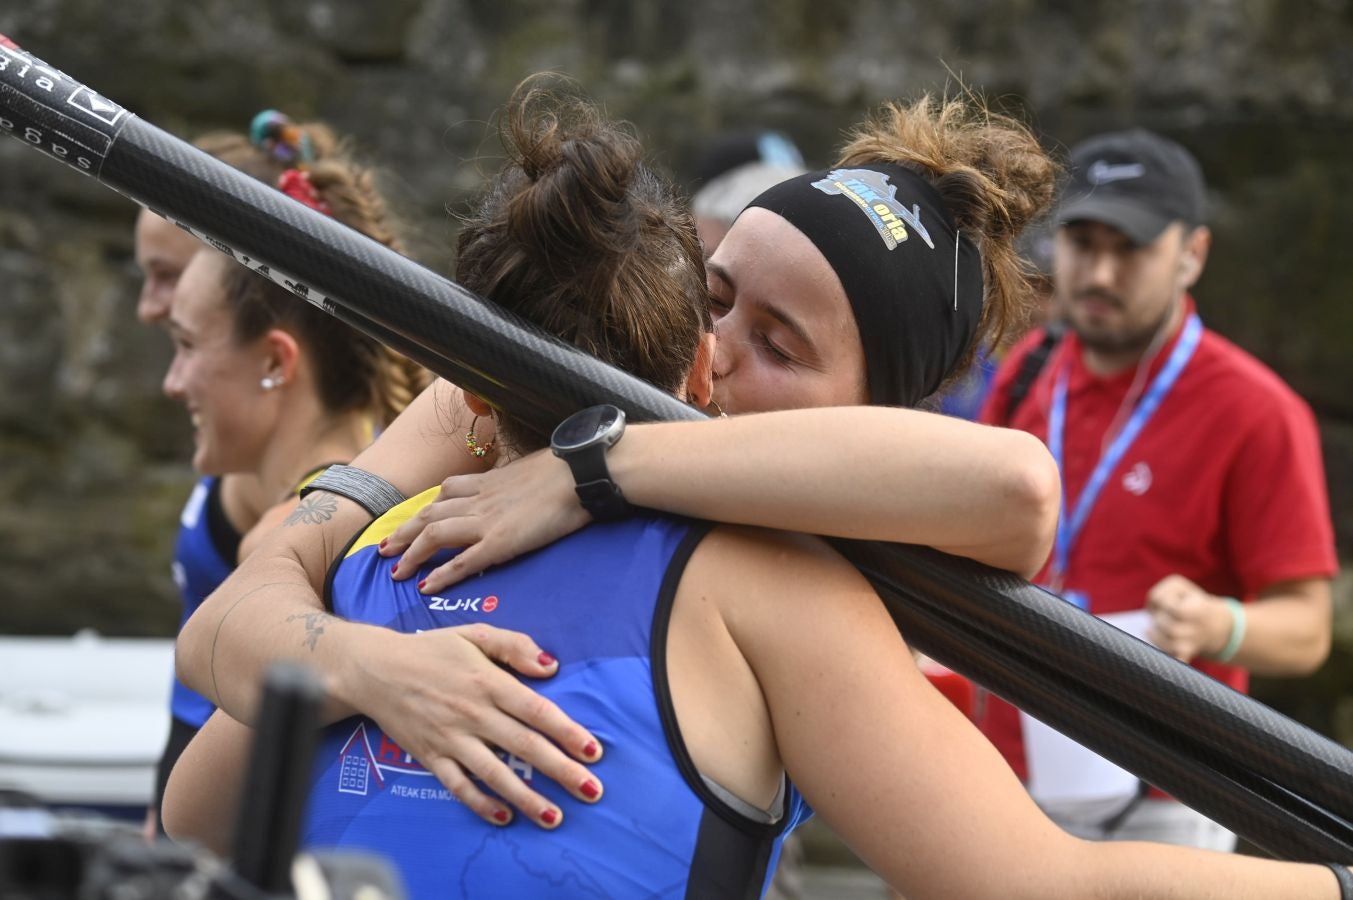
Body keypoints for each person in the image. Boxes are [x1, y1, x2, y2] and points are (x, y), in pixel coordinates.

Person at [162, 84, 1353, 900]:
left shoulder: (768, 580)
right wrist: (370, 663)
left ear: (871, 417)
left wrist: (595, 467)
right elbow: (204, 775)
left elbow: (1016, 493)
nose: (714, 355)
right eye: (716, 299)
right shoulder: (456, 480)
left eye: (779, 346)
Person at [976, 128, 1338, 850]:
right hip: (1001, 767)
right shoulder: (1027, 372)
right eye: (1082, 243)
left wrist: (1215, 625)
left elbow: (1307, 629)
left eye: (1130, 248)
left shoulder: (1256, 411)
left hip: (1166, 787)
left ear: (1191, 255)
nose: (1099, 273)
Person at [143, 112, 429, 834]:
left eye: (185, 345)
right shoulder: (267, 476)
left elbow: (206, 820)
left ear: (276, 361)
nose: (171, 383)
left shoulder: (286, 544)